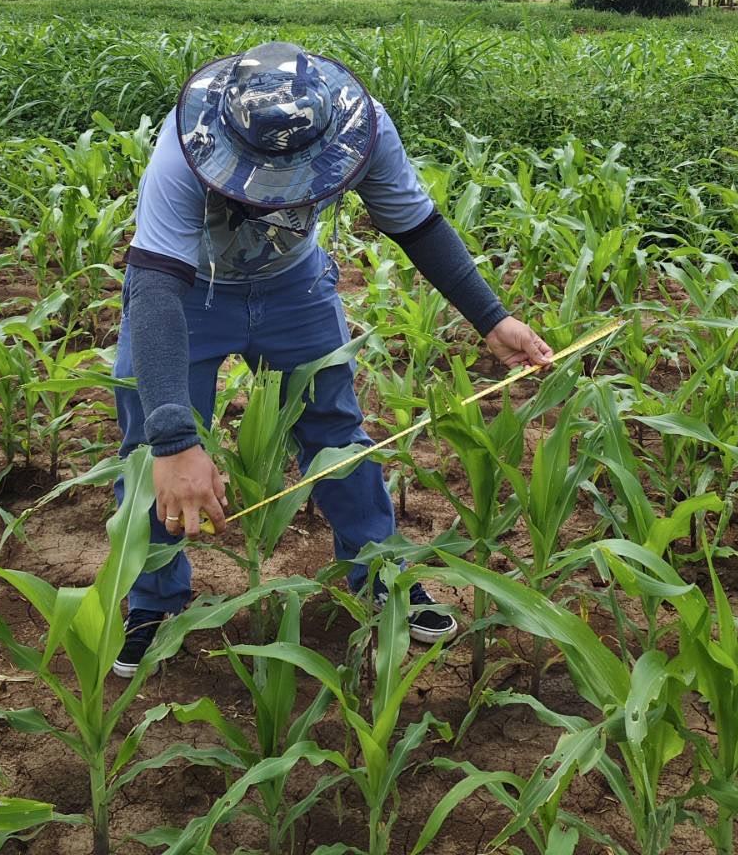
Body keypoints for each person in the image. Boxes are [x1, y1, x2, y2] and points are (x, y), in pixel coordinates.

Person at [111, 41, 553, 677]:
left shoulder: (362, 129)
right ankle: (153, 602)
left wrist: (492, 317)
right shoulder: (188, 147)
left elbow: (417, 224)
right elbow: (155, 286)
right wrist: (176, 440)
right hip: (188, 292)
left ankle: (383, 580)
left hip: (294, 287)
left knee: (336, 431)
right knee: (151, 448)